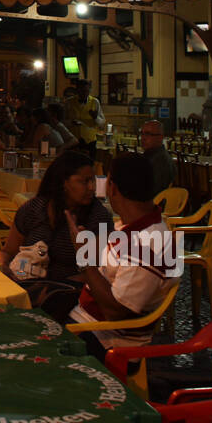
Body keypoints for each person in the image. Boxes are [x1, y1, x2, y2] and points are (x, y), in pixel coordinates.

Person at [65, 153, 180, 360]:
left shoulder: (149, 244)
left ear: (113, 188)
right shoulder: (131, 226)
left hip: (105, 339)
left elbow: (116, 311)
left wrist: (83, 258)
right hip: (87, 320)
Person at [0, 151, 110, 320]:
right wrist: (5, 268)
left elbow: (99, 274)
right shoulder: (34, 209)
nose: (91, 188)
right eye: (84, 181)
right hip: (26, 286)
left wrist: (50, 285)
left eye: (92, 180)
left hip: (69, 297)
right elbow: (7, 251)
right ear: (63, 183)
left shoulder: (98, 218)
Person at [64, 80, 105, 159]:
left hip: (90, 141)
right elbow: (63, 121)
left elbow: (102, 122)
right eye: (82, 91)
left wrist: (95, 117)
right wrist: (71, 122)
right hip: (73, 140)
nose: (85, 93)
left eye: (87, 91)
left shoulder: (95, 102)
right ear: (77, 90)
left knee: (89, 165)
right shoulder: (69, 102)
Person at [139, 119, 174, 195]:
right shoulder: (149, 156)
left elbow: (152, 191)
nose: (143, 138)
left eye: (148, 134)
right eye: (142, 133)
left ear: (160, 137)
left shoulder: (160, 161)